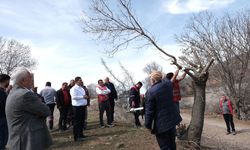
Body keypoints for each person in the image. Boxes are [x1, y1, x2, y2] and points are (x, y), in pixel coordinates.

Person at [5, 67, 52, 150]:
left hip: (19, 139)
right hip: (28, 141)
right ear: (23, 80)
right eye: (30, 78)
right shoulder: (25, 95)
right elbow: (46, 111)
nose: (32, 81)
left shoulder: (12, 93)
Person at [145, 71, 182, 150]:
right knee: (172, 143)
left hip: (161, 125)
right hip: (172, 121)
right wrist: (178, 70)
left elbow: (149, 111)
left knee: (165, 146)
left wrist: (148, 125)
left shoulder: (150, 92)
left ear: (152, 80)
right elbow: (172, 78)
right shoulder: (168, 85)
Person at [70, 77, 88, 141]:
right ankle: (76, 137)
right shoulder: (73, 89)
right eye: (80, 80)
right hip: (77, 107)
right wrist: (83, 96)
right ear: (76, 81)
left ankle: (81, 134)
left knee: (82, 122)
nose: (81, 81)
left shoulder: (82, 88)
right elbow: (74, 97)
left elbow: (84, 96)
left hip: (83, 107)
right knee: (77, 122)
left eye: (81, 80)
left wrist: (85, 97)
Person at [0, 74, 10, 150]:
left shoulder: (3, 92)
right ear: (6, 81)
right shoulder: (2, 93)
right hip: (2, 118)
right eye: (8, 81)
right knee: (2, 141)